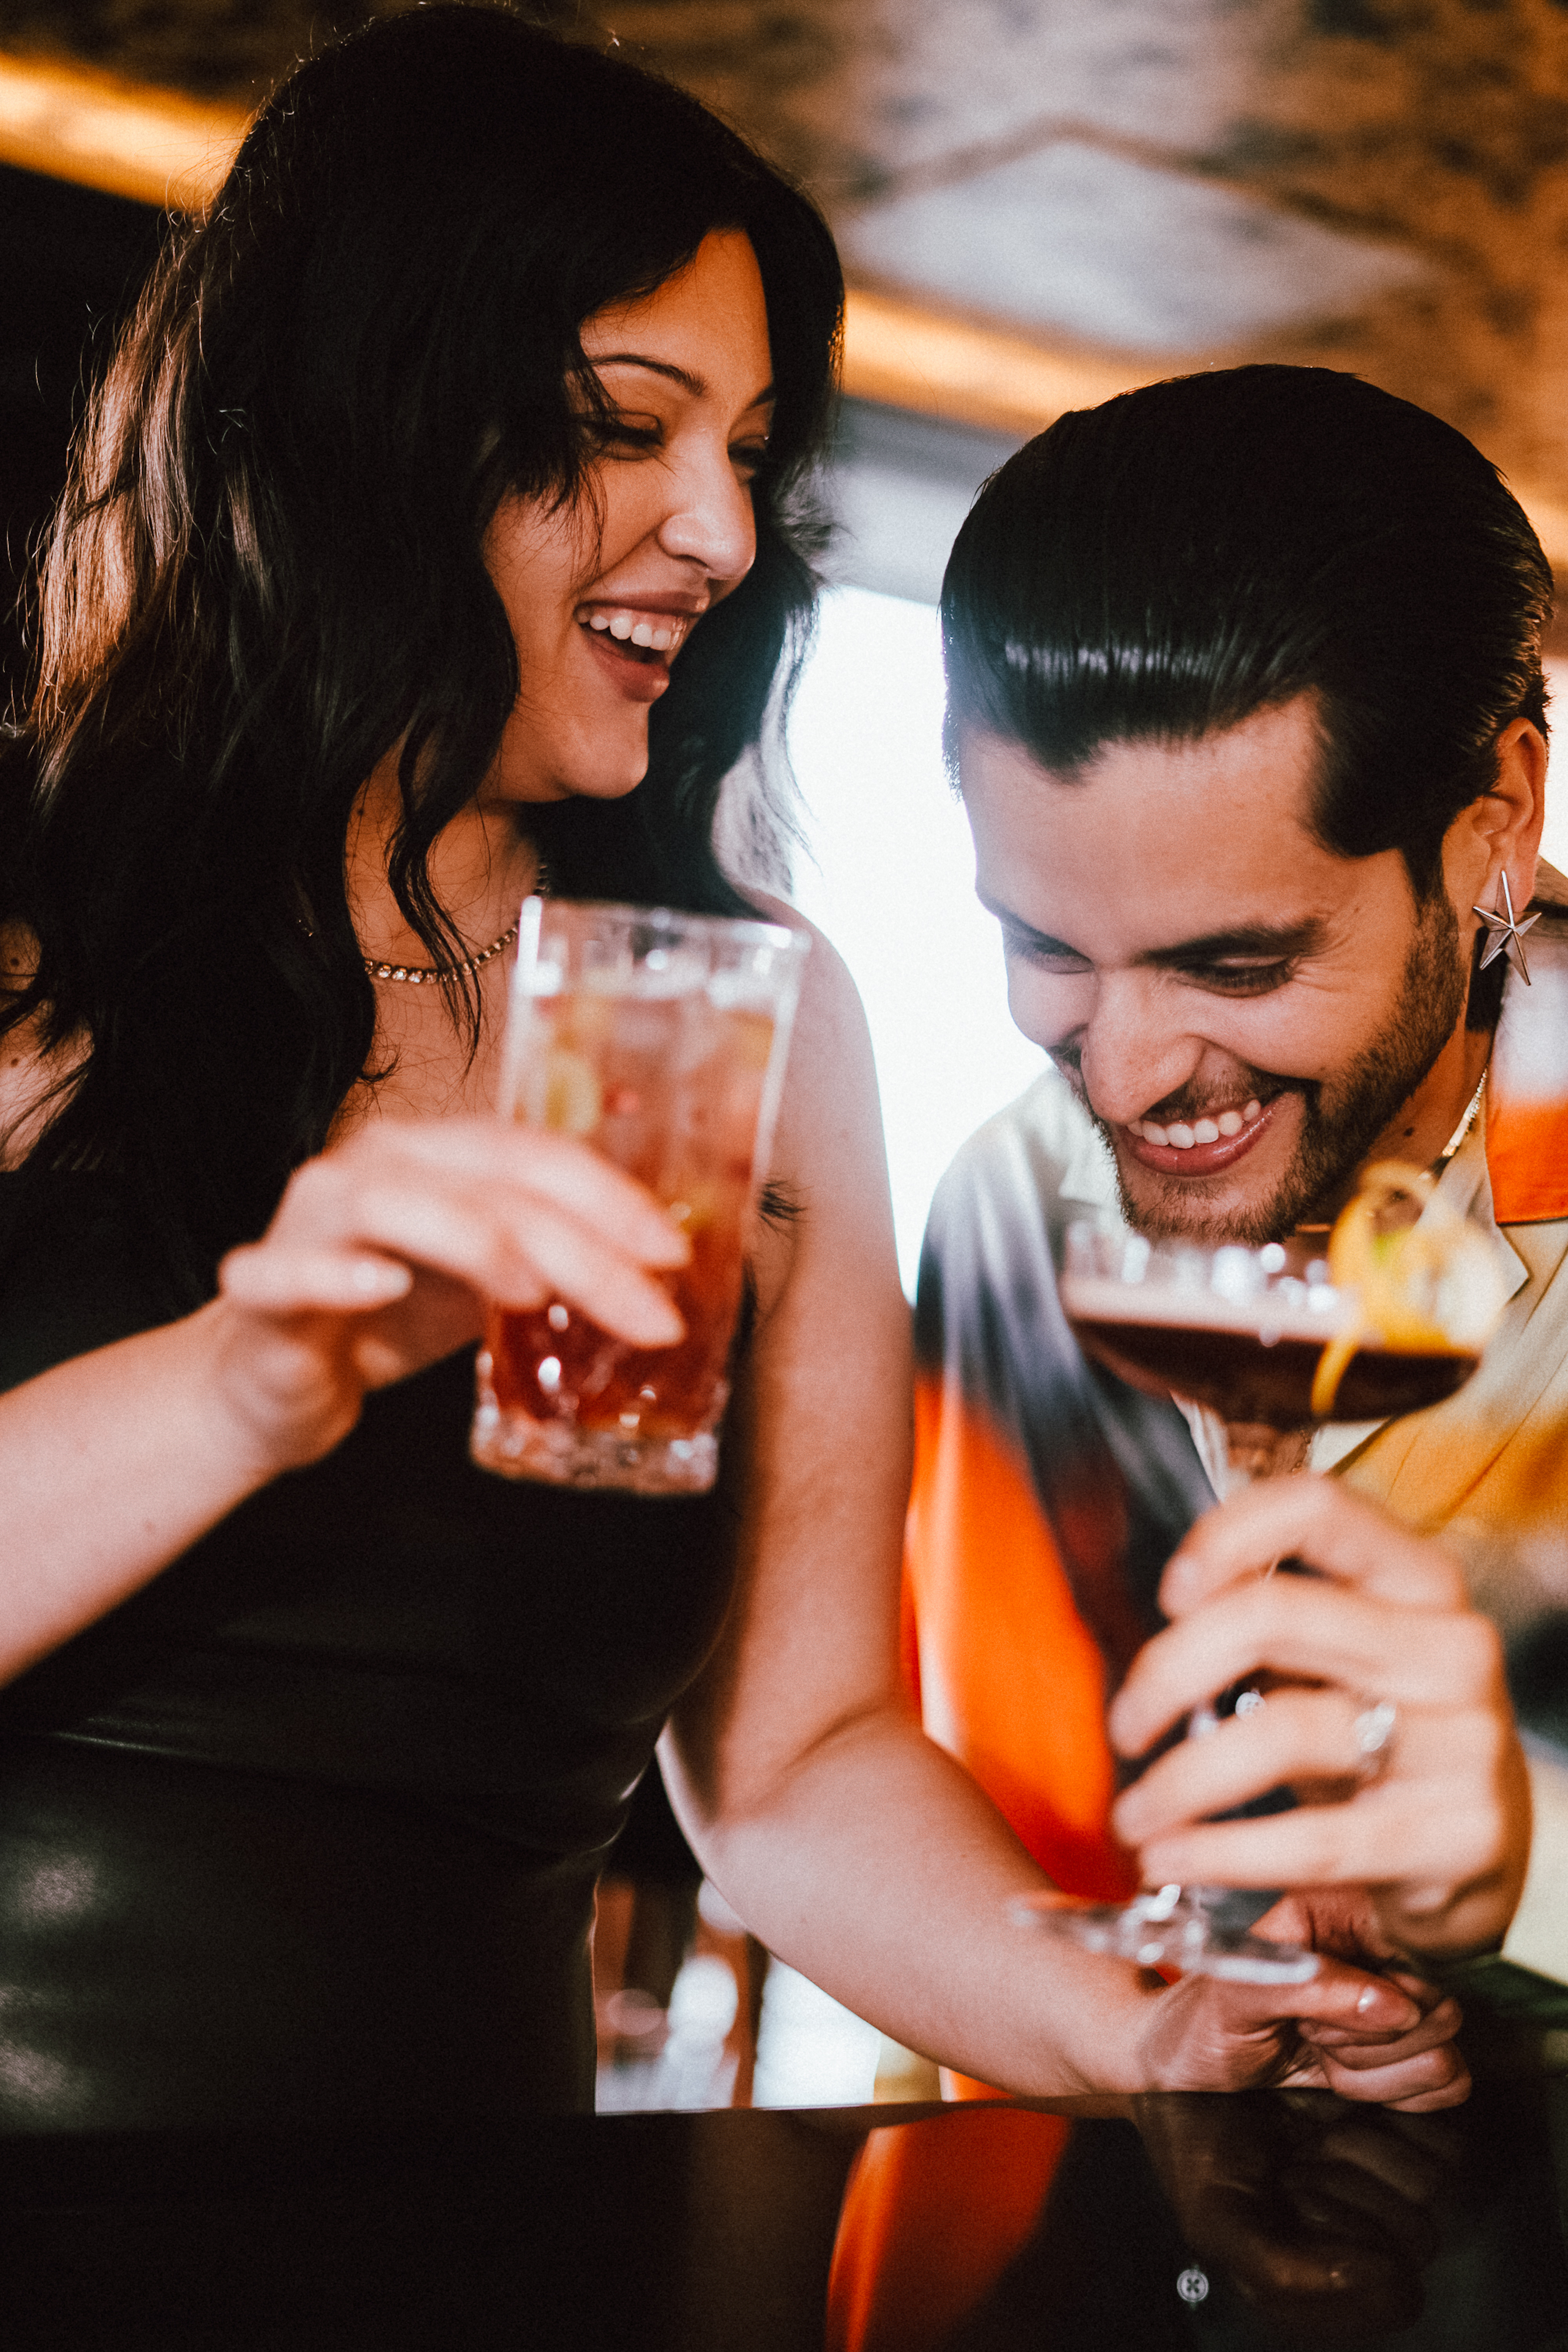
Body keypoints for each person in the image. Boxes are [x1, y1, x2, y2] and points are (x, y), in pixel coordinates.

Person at [0, 17, 1467, 2133]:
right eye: (629, 427)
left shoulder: (742, 1012)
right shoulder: (41, 922)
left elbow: (795, 1764)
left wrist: (1121, 2023)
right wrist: (246, 1381)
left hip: (500, 2250)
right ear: (367, 423)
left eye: (753, 455)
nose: (722, 529)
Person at [827, 364, 1561, 2350]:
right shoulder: (1010, 1202)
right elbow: (902, 1772)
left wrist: (1532, 1860)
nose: (1133, 1078)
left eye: (1240, 964)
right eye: (1049, 948)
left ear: (1495, 820)